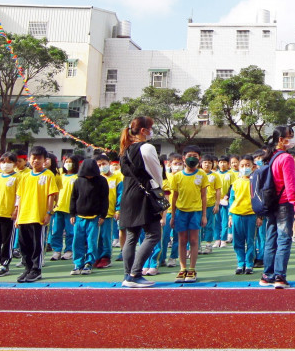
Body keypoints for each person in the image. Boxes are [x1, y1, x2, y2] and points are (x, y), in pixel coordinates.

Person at [118, 116, 165, 288]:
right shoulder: (147, 147)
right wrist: (159, 193)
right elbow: (156, 174)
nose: (152, 131)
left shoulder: (125, 149)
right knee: (153, 234)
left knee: (131, 236)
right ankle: (135, 273)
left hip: (128, 195)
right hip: (144, 195)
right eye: (150, 128)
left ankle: (127, 274)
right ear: (144, 131)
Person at [260, 125, 295, 288]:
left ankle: (267, 274)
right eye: (289, 136)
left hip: (271, 202)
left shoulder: (270, 157)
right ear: (280, 140)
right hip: (284, 203)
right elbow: (291, 184)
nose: (291, 140)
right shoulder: (286, 158)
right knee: (284, 239)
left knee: (271, 238)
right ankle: (279, 276)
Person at [14, 147, 60, 283]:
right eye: (33, 158)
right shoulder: (25, 176)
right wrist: (18, 216)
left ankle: (36, 269)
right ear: (29, 159)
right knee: (24, 245)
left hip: (38, 216)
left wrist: (48, 213)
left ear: (45, 160)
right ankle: (27, 268)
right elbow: (20, 196)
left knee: (36, 245)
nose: (36, 161)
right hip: (24, 216)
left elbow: (51, 195)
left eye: (39, 158)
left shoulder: (48, 175)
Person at [170, 146, 208, 284]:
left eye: (195, 156)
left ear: (199, 158)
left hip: (196, 212)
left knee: (193, 240)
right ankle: (182, 268)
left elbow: (204, 196)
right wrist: (173, 215)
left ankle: (192, 269)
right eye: (189, 155)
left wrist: (204, 215)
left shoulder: (202, 175)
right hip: (181, 212)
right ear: (183, 158)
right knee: (181, 240)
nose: (192, 158)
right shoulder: (177, 176)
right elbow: (174, 197)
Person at [70, 158, 109, 276]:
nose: (90, 177)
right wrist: (72, 214)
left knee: (92, 241)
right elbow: (73, 198)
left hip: (94, 217)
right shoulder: (78, 181)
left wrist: (103, 215)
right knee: (77, 241)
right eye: (87, 174)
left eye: (92, 174)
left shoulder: (102, 181)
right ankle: (78, 264)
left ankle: (89, 263)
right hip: (79, 217)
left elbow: (104, 199)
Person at [229, 154, 259, 274]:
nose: (244, 167)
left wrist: (259, 216)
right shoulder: (235, 183)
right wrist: (230, 216)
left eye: (247, 165)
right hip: (237, 215)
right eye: (242, 165)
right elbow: (232, 200)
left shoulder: (255, 183)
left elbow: (259, 200)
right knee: (237, 241)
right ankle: (240, 263)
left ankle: (249, 264)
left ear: (253, 167)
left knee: (250, 241)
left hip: (251, 215)